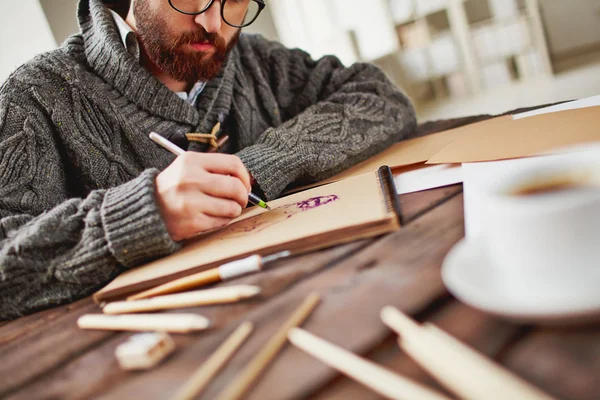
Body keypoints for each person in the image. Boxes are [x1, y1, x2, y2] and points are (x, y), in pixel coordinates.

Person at [0, 0, 417, 319]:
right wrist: (142, 214)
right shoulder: (32, 99)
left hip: (306, 303)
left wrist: (262, 162)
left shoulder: (256, 61)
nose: (212, 23)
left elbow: (380, 97)